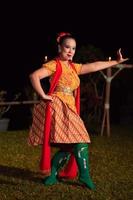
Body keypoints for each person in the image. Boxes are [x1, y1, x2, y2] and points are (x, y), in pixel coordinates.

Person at [28, 32, 128, 190]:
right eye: (67, 47)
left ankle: (53, 175)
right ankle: (84, 176)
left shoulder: (74, 67)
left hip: (70, 108)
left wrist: (115, 61)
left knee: (68, 146)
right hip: (58, 106)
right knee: (80, 139)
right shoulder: (55, 64)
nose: (70, 51)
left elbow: (94, 66)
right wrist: (43, 95)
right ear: (59, 47)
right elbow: (34, 76)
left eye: (73, 48)